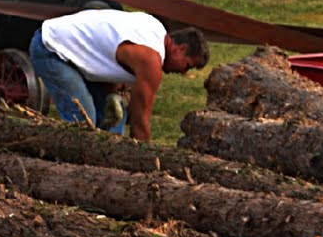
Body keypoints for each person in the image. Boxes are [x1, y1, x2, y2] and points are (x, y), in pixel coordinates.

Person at [28, 9, 210, 141]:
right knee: (85, 120)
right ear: (181, 48)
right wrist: (145, 160)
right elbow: (140, 121)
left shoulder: (155, 29)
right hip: (51, 47)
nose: (183, 72)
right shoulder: (151, 60)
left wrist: (117, 82)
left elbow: (109, 47)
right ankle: (77, 168)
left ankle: (107, 165)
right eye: (187, 65)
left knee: (116, 115)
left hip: (73, 54)